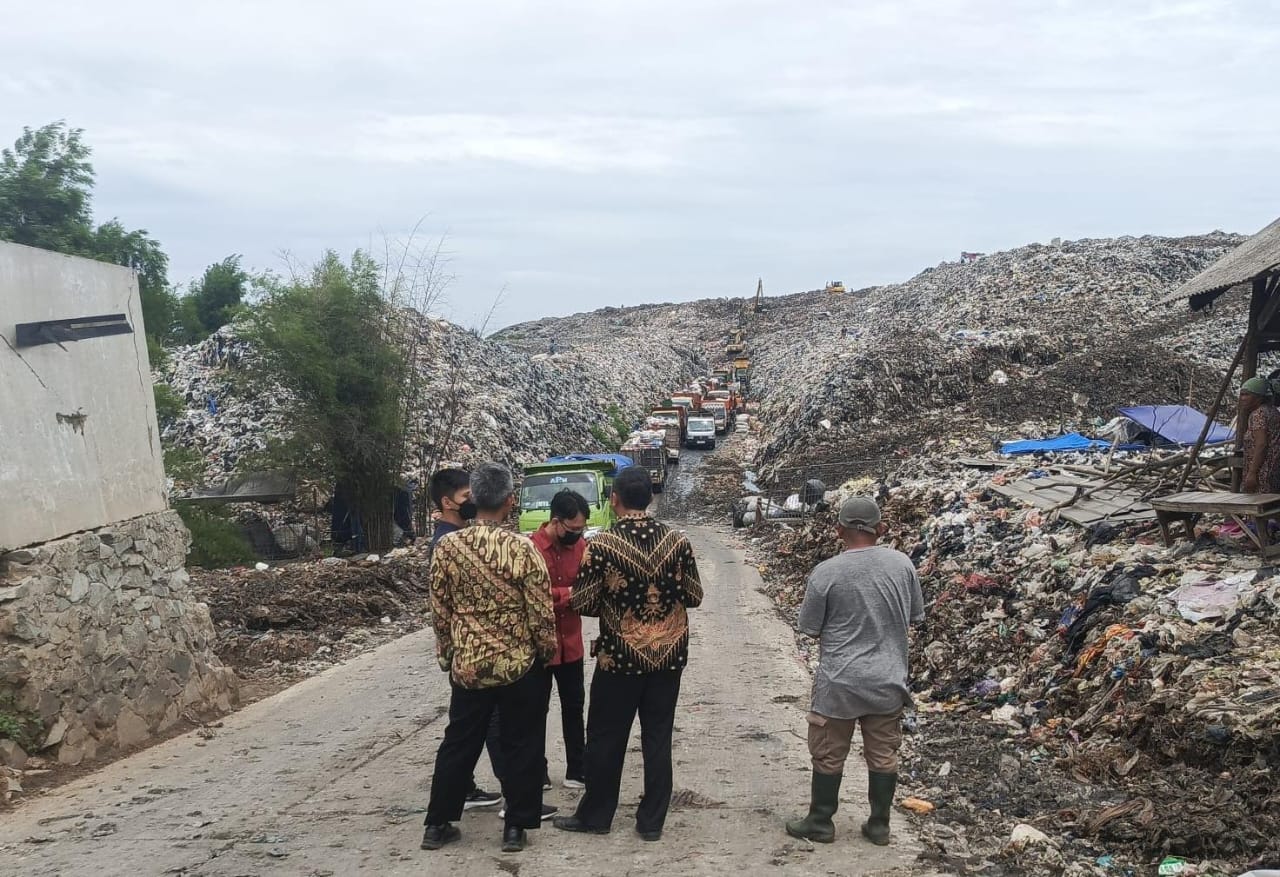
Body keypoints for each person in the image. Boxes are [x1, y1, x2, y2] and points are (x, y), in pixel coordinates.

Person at [553, 467, 702, 842]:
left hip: (619, 657)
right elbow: (695, 596)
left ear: (614, 499)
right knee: (657, 737)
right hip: (668, 657)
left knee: (606, 737)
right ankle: (651, 822)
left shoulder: (602, 545)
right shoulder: (676, 541)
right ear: (650, 498)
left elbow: (584, 601)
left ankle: (597, 816)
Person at [422, 463, 557, 854]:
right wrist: (543, 655)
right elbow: (540, 612)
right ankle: (516, 827)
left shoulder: (448, 547)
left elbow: (440, 610)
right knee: (521, 744)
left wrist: (449, 654)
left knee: (459, 744)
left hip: (468, 667)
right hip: (517, 667)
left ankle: (437, 824)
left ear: (475, 500)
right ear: (510, 501)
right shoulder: (523, 549)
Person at [785, 497, 924, 846]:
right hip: (888, 682)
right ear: (880, 529)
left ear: (838, 531)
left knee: (829, 752)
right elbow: (915, 616)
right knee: (883, 754)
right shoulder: (902, 565)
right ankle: (879, 826)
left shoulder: (827, 572)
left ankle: (820, 821)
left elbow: (809, 627)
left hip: (839, 684)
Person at [427, 468, 506, 812]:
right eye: (465, 499)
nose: (472, 503)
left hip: (466, 652)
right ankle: (517, 799)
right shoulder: (445, 545)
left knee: (466, 730)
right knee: (490, 726)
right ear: (447, 502)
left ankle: (460, 793)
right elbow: (440, 607)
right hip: (474, 654)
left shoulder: (457, 537)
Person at [529, 490, 590, 789]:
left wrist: (564, 596)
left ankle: (577, 769)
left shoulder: (581, 547)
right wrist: (569, 595)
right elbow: (532, 597)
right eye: (573, 528)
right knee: (535, 711)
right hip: (540, 646)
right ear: (556, 521)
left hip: (572, 644)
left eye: (582, 530)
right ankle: (536, 772)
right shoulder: (530, 549)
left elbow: (589, 587)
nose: (577, 535)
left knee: (574, 706)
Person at [1238, 376, 1280, 494]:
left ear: (1259, 397)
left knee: (1256, 506)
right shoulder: (1273, 412)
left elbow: (1261, 444)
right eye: (1241, 395)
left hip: (1261, 474)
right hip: (1273, 472)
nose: (1243, 399)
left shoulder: (1258, 414)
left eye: (1247, 395)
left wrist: (1252, 473)